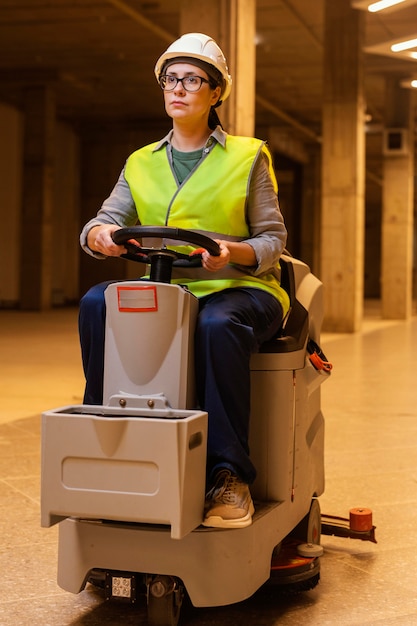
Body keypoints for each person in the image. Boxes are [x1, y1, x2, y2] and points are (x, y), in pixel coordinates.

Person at [78, 32, 289, 529]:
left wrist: (229, 252)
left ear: (215, 93)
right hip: (169, 288)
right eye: (171, 79)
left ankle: (229, 475)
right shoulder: (140, 162)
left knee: (216, 325)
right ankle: (105, 439)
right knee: (96, 302)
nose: (178, 88)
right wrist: (101, 235)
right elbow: (100, 221)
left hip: (243, 290)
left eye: (193, 79)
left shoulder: (247, 156)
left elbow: (271, 241)